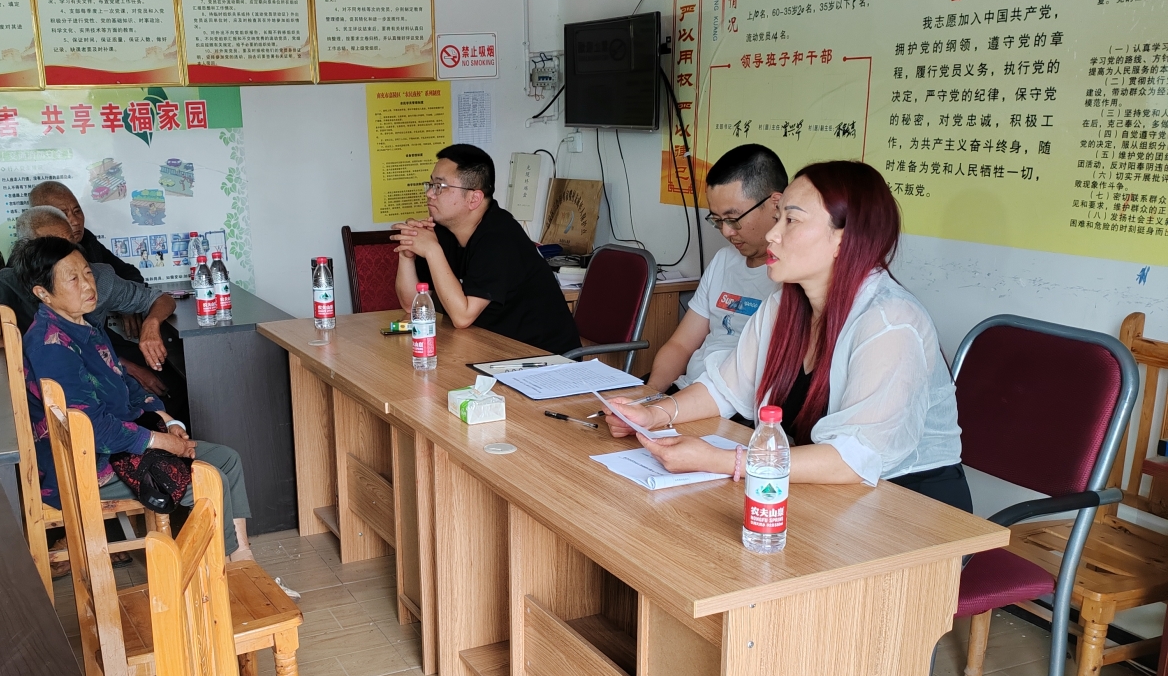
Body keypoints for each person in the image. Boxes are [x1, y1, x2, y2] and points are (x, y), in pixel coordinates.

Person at [605, 161, 970, 511]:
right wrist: (654, 415)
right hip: (831, 492)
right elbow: (724, 387)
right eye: (778, 217)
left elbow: (853, 458)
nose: (772, 234)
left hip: (909, 503)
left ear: (844, 239)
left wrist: (722, 460)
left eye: (791, 220)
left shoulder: (890, 321)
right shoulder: (784, 303)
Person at [15, 236, 253, 561]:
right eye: (73, 279)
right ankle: (220, 572)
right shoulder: (51, 347)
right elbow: (92, 428)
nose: (88, 285)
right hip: (86, 465)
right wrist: (161, 442)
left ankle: (242, 559)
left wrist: (166, 420)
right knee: (211, 479)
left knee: (226, 459)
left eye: (87, 273)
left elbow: (124, 381)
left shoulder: (84, 325)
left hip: (121, 444)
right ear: (43, 293)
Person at [0, 206, 182, 407]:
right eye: (54, 248)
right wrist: (21, 355)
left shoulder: (97, 277)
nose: (69, 256)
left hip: (105, 377)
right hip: (54, 391)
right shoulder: (10, 284)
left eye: (70, 243)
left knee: (169, 390)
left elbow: (160, 299)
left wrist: (150, 325)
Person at [391, 144, 580, 354]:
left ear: (474, 198)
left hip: (545, 358)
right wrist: (407, 252)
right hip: (490, 347)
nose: (429, 194)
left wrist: (432, 251)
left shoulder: (499, 237)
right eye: (430, 184)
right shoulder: (443, 230)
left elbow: (462, 317)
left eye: (439, 186)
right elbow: (412, 307)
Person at [639, 145, 785, 394]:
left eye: (733, 219)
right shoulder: (724, 260)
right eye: (717, 220)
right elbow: (681, 345)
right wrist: (651, 394)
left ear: (776, 204)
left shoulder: (793, 276)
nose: (726, 232)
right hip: (688, 389)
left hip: (734, 403)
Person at [29, 180, 144, 283]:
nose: (75, 221)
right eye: (63, 214)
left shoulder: (86, 240)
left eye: (77, 211)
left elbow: (128, 272)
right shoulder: (31, 258)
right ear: (40, 220)